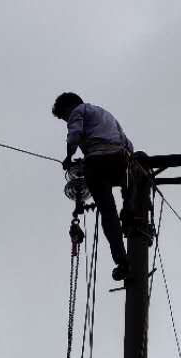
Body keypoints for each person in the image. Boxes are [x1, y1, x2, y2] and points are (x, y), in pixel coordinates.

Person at [52, 92, 134, 282]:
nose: (66, 120)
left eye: (65, 116)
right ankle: (129, 205)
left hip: (97, 163)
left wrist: (68, 157)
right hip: (119, 159)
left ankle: (122, 261)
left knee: (108, 212)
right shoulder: (107, 115)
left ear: (70, 106)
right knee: (129, 180)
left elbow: (74, 136)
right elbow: (128, 145)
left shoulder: (78, 110)